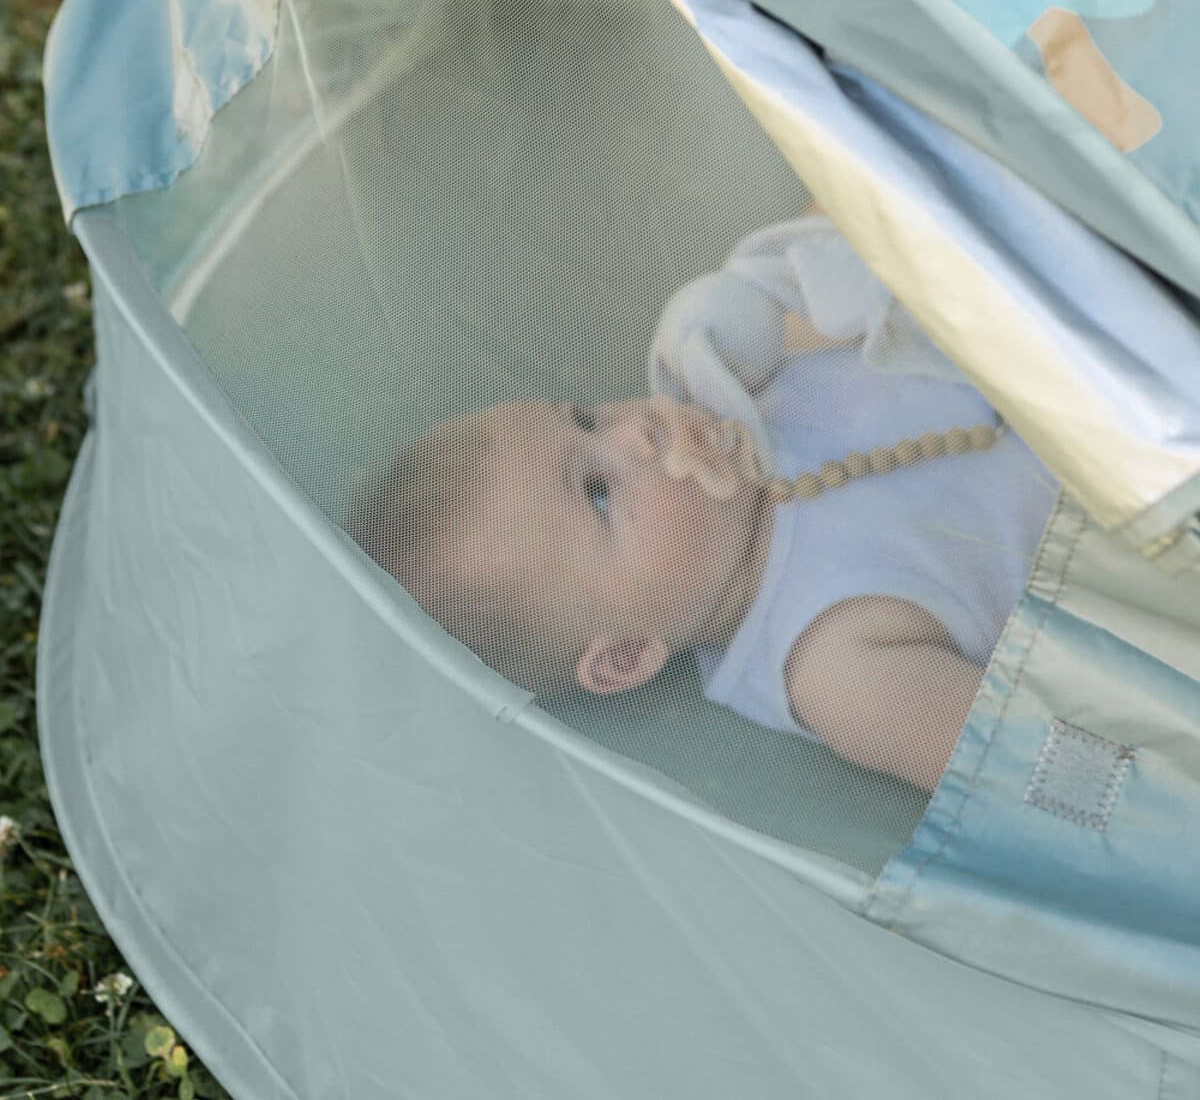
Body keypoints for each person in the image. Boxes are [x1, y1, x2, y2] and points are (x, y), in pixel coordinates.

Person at [351, 218, 1058, 792]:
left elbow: (867, 244)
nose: (634, 428)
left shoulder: (739, 388)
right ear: (628, 654)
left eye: (587, 417)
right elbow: (1040, 768)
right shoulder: (835, 664)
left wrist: (762, 295)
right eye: (598, 492)